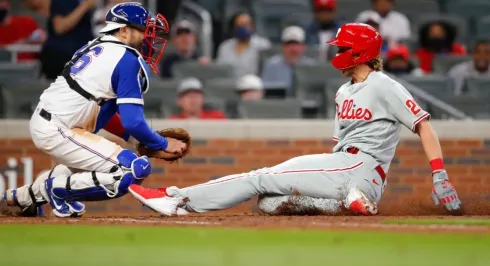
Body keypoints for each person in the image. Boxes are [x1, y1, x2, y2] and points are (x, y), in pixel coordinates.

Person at [128, 23, 462, 217]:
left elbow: (424, 126)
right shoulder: (345, 91)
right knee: (270, 204)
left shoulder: (383, 85)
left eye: (342, 48)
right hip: (346, 169)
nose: (336, 53)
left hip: (361, 166)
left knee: (259, 177)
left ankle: (177, 198)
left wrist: (440, 173)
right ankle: (345, 202)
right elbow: (336, 148)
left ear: (359, 52)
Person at [0, 3, 186, 218]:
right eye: (144, 31)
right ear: (123, 30)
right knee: (133, 169)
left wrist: (138, 142)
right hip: (60, 127)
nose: (149, 38)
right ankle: (56, 191)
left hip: (57, 123)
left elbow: (103, 112)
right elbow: (133, 121)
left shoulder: (96, 45)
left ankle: (19, 198)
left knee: (73, 172)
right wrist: (160, 143)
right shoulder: (126, 59)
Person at [39, 0, 97, 80]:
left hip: (82, 58)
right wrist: (85, 5)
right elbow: (59, 27)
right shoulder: (64, 2)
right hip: (62, 57)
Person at [261, 26, 315, 94]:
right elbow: (265, 92)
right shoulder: (271, 65)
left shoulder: (311, 66)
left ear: (304, 46)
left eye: (297, 44)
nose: (293, 49)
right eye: (289, 44)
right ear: (283, 47)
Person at [216, 12, 271, 78]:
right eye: (239, 26)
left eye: (245, 25)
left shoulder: (263, 45)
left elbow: (268, 72)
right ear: (233, 28)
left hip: (253, 85)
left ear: (252, 26)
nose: (242, 28)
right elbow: (219, 71)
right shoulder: (225, 47)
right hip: (230, 85)